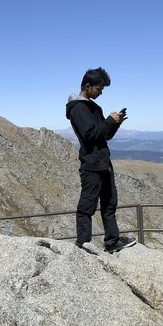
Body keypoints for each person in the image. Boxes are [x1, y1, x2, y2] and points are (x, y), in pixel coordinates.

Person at [65, 67, 136, 253]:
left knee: (109, 203)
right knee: (86, 207)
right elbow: (89, 135)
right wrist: (109, 121)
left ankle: (112, 242)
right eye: (99, 88)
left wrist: (115, 124)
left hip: (103, 163)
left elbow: (103, 136)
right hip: (91, 166)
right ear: (87, 86)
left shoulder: (93, 107)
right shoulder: (78, 108)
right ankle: (83, 246)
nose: (101, 92)